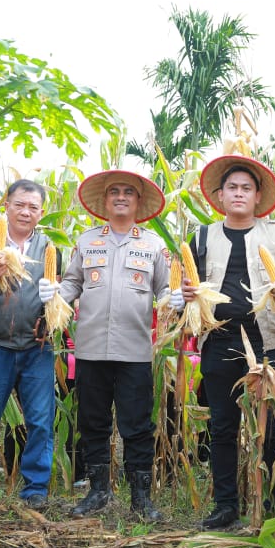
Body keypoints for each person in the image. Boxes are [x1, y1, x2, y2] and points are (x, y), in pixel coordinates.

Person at [180, 155, 275, 530]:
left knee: (274, 425)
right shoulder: (202, 236)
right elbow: (191, 283)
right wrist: (185, 291)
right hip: (220, 337)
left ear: (257, 195)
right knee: (222, 425)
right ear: (220, 194)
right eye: (232, 187)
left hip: (268, 337)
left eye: (246, 188)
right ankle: (226, 504)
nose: (239, 193)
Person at [42, 169, 170, 520]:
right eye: (114, 191)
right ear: (105, 200)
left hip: (135, 350)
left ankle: (141, 498)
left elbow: (163, 289)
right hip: (91, 348)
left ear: (138, 201)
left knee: (137, 424)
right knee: (93, 421)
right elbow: (72, 284)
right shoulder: (86, 242)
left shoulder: (153, 245)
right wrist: (54, 295)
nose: (121, 197)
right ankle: (98, 491)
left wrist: (172, 298)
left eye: (129, 192)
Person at [0, 179, 57, 509]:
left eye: (33, 207)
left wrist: (53, 306)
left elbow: (63, 298)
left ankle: (35, 490)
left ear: (41, 212)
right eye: (20, 205)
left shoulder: (48, 248)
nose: (25, 212)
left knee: (41, 421)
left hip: (38, 348)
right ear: (6, 205)